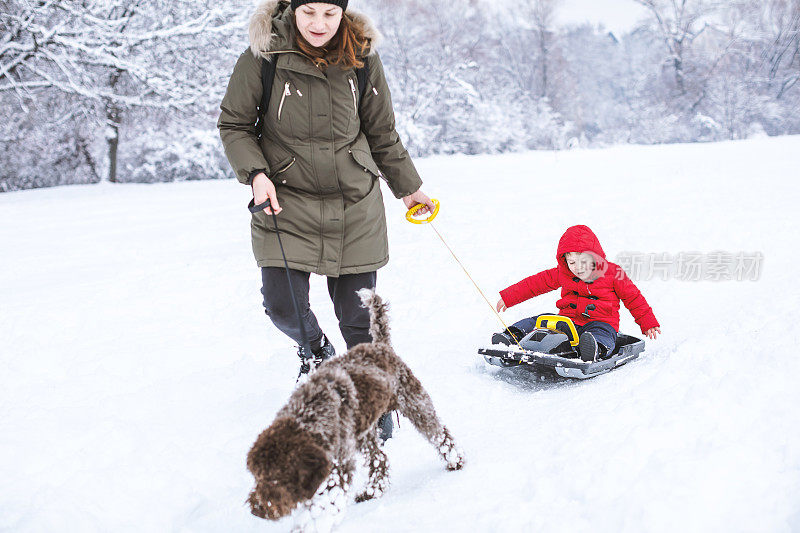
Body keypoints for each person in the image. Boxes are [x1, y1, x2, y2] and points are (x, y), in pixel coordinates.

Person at [217, 0, 434, 439]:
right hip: (285, 199)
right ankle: (316, 352)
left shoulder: (362, 57)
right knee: (283, 304)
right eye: (309, 12)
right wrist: (256, 174)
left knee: (359, 319)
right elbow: (235, 124)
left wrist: (409, 187)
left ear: (343, 14)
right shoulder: (264, 56)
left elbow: (381, 132)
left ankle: (372, 404)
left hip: (353, 203)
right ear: (292, 9)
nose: (319, 24)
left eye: (330, 14)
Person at [494, 225, 661, 362]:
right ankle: (511, 336)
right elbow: (535, 284)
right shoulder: (563, 273)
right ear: (565, 260)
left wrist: (648, 322)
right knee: (539, 320)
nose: (578, 267)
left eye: (583, 261)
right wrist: (509, 297)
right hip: (568, 322)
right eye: (572, 262)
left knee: (602, 334)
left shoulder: (612, 273)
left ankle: (595, 349)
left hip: (600, 322)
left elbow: (633, 298)